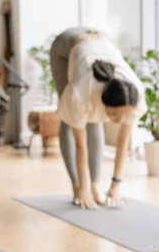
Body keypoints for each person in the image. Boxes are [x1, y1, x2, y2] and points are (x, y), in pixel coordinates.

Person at [50, 28, 143, 209]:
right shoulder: (80, 92)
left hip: (101, 39)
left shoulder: (135, 95)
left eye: (122, 115)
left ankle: (96, 185)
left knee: (95, 119)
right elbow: (80, 144)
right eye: (115, 114)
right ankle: (77, 185)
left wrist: (116, 185)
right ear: (105, 102)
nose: (118, 121)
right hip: (66, 45)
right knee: (70, 119)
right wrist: (82, 188)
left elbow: (123, 140)